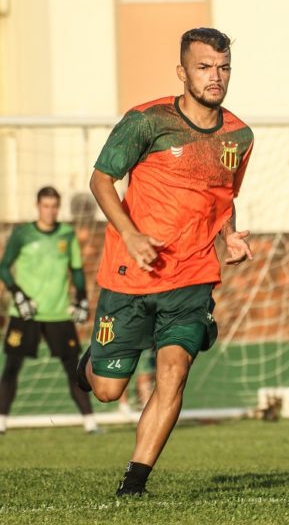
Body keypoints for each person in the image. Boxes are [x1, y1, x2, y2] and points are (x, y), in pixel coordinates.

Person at [75, 27, 254, 496]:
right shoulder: (146, 121)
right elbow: (100, 180)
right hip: (130, 273)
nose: (216, 77)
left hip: (193, 276)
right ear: (182, 72)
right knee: (109, 390)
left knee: (173, 373)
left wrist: (230, 236)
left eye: (223, 67)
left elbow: (223, 196)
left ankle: (134, 483)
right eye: (204, 67)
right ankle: (92, 362)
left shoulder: (239, 135)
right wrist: (130, 235)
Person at [0, 186, 99, 434]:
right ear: (37, 206)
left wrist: (82, 300)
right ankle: (1, 421)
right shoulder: (22, 233)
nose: (50, 211)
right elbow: (3, 267)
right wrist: (19, 295)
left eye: (54, 206)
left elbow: (77, 270)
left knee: (72, 369)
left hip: (58, 313)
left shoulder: (66, 235)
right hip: (25, 314)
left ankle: (90, 423)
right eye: (46, 206)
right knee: (11, 367)